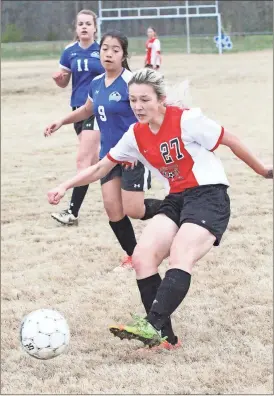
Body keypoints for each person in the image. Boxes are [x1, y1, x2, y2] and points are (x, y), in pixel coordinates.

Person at [47, 67, 273, 350]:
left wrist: (262, 170)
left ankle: (152, 323)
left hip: (209, 195)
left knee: (181, 253)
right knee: (142, 258)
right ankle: (166, 338)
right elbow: (102, 167)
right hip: (176, 199)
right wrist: (64, 186)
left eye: (144, 100)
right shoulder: (135, 134)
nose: (138, 107)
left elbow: (231, 140)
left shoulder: (188, 120)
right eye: (132, 100)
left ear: (161, 99)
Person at [45, 32, 162, 268]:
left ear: (123, 55)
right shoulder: (96, 83)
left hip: (133, 156)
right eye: (105, 49)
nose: (108, 53)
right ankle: (134, 255)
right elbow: (87, 110)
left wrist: (143, 147)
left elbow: (152, 113)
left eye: (115, 50)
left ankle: (176, 205)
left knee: (134, 210)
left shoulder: (132, 82)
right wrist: (61, 121)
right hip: (109, 155)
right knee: (113, 209)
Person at [50, 9, 105, 226]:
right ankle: (120, 165)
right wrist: (59, 80)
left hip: (97, 110)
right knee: (94, 160)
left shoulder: (102, 50)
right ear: (76, 28)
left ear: (94, 28)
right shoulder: (69, 51)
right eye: (80, 24)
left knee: (84, 160)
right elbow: (65, 82)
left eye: (88, 24)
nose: (83, 27)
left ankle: (72, 212)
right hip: (78, 111)